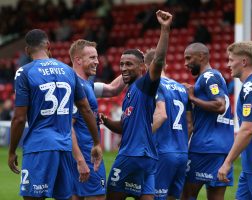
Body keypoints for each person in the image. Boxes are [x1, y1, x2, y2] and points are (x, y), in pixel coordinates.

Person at [7, 29, 102, 200]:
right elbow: (86, 109)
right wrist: (96, 142)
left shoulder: (25, 72)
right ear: (49, 46)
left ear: (27, 50)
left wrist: (12, 150)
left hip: (39, 146)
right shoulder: (68, 71)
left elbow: (19, 118)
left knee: (33, 197)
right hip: (65, 147)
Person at [100, 10, 172, 200]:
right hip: (147, 159)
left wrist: (165, 29)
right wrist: (105, 120)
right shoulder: (130, 92)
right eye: (122, 64)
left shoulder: (144, 85)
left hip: (131, 155)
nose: (124, 68)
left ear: (142, 68)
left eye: (129, 64)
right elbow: (124, 127)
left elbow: (158, 60)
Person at [69, 39, 125, 200]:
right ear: (78, 60)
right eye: (92, 57)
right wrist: (80, 159)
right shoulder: (76, 86)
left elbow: (113, 89)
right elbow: (68, 127)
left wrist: (132, 69)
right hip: (87, 155)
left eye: (96, 57)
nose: (97, 61)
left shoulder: (85, 85)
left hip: (77, 154)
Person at [181, 43, 234, 200]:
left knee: (186, 195)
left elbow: (219, 105)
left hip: (205, 148)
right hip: (223, 148)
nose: (185, 63)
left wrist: (192, 98)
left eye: (189, 58)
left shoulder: (209, 76)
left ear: (201, 56)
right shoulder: (210, 79)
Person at [218, 41, 252, 199]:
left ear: (244, 61)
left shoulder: (251, 89)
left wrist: (227, 162)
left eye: (231, 60)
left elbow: (247, 130)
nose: (228, 64)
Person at [144, 48, 192, 200]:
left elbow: (160, 115)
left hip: (163, 151)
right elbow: (190, 124)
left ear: (147, 65)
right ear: (165, 64)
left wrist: (141, 137)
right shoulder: (181, 88)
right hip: (182, 152)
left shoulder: (153, 85)